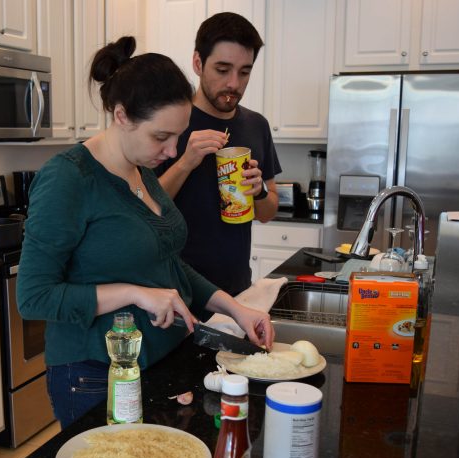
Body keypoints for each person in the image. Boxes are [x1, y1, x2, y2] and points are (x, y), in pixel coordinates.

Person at [16, 36, 274, 429]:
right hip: (95, 375)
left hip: (159, 361)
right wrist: (134, 294)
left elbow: (168, 264)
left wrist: (235, 308)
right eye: (161, 137)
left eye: (179, 136)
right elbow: (33, 298)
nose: (173, 151)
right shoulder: (68, 178)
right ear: (121, 116)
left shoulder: (142, 171)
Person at [155, 12, 281, 296]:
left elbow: (268, 212)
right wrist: (185, 163)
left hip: (236, 288)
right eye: (223, 70)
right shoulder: (168, 123)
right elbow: (142, 208)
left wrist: (258, 189)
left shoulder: (256, 125)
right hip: (175, 292)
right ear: (198, 63)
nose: (234, 84)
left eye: (245, 71)